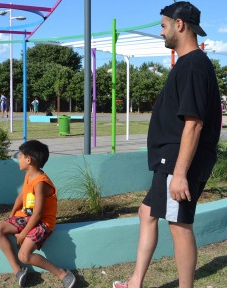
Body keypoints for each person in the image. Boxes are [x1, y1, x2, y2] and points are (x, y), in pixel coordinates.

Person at [114, 2, 221, 288]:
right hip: (172, 158)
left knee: (179, 225)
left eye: (163, 26)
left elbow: (194, 123)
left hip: (179, 160)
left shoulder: (194, 65)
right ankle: (135, 282)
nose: (160, 32)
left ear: (179, 24)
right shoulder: (189, 64)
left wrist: (181, 173)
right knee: (146, 212)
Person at [0, 140, 76, 288]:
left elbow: (38, 214)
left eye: (21, 156)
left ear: (29, 160)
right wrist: (12, 216)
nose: (18, 159)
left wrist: (23, 234)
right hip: (26, 217)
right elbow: (21, 197)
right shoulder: (29, 175)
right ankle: (18, 271)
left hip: (43, 222)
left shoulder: (40, 183)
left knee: (24, 255)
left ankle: (63, 274)